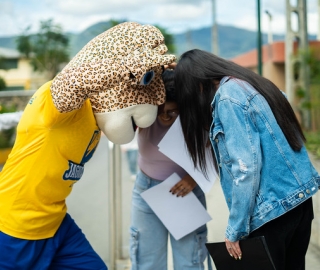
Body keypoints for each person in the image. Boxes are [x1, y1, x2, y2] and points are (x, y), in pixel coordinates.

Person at [0, 22, 176, 270]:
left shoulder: (97, 116)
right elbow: (74, 79)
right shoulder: (56, 107)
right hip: (13, 228)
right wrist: (126, 65)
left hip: (56, 223)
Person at [173, 49, 320, 270]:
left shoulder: (228, 97)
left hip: (271, 214)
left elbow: (246, 168)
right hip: (299, 204)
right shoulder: (255, 83)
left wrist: (235, 229)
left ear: (198, 85)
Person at [129, 69, 210, 270]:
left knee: (189, 262)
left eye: (173, 112)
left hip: (185, 192)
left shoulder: (197, 117)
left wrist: (194, 178)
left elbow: (215, 152)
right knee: (147, 262)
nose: (164, 116)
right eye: (160, 110)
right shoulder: (145, 112)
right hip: (147, 189)